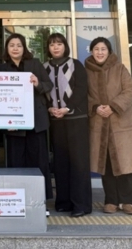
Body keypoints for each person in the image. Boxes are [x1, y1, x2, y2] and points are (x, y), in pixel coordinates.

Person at [85, 37, 132, 215]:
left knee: (124, 162)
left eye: (103, 49)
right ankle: (111, 200)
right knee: (106, 164)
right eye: (96, 49)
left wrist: (112, 106)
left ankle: (129, 201)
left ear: (109, 51)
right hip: (99, 122)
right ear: (91, 51)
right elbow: (82, 94)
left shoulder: (119, 68)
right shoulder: (86, 71)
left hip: (120, 123)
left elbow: (129, 90)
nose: (100, 52)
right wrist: (95, 107)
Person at [0, 33, 53, 213]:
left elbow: (48, 85)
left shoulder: (35, 64)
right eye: (12, 45)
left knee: (39, 163)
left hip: (36, 122)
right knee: (16, 163)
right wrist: (4, 120)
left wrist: (37, 83)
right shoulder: (2, 68)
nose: (15, 48)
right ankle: (17, 203)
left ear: (24, 48)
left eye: (19, 45)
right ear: (7, 49)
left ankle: (40, 203)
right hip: (13, 124)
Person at [44, 33, 92, 217]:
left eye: (59, 44)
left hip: (76, 120)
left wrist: (67, 108)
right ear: (48, 48)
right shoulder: (45, 67)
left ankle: (81, 204)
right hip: (56, 121)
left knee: (79, 162)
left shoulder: (75, 64)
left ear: (65, 46)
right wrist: (49, 108)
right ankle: (63, 201)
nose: (55, 47)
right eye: (52, 44)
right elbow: (43, 92)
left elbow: (81, 89)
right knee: (60, 162)